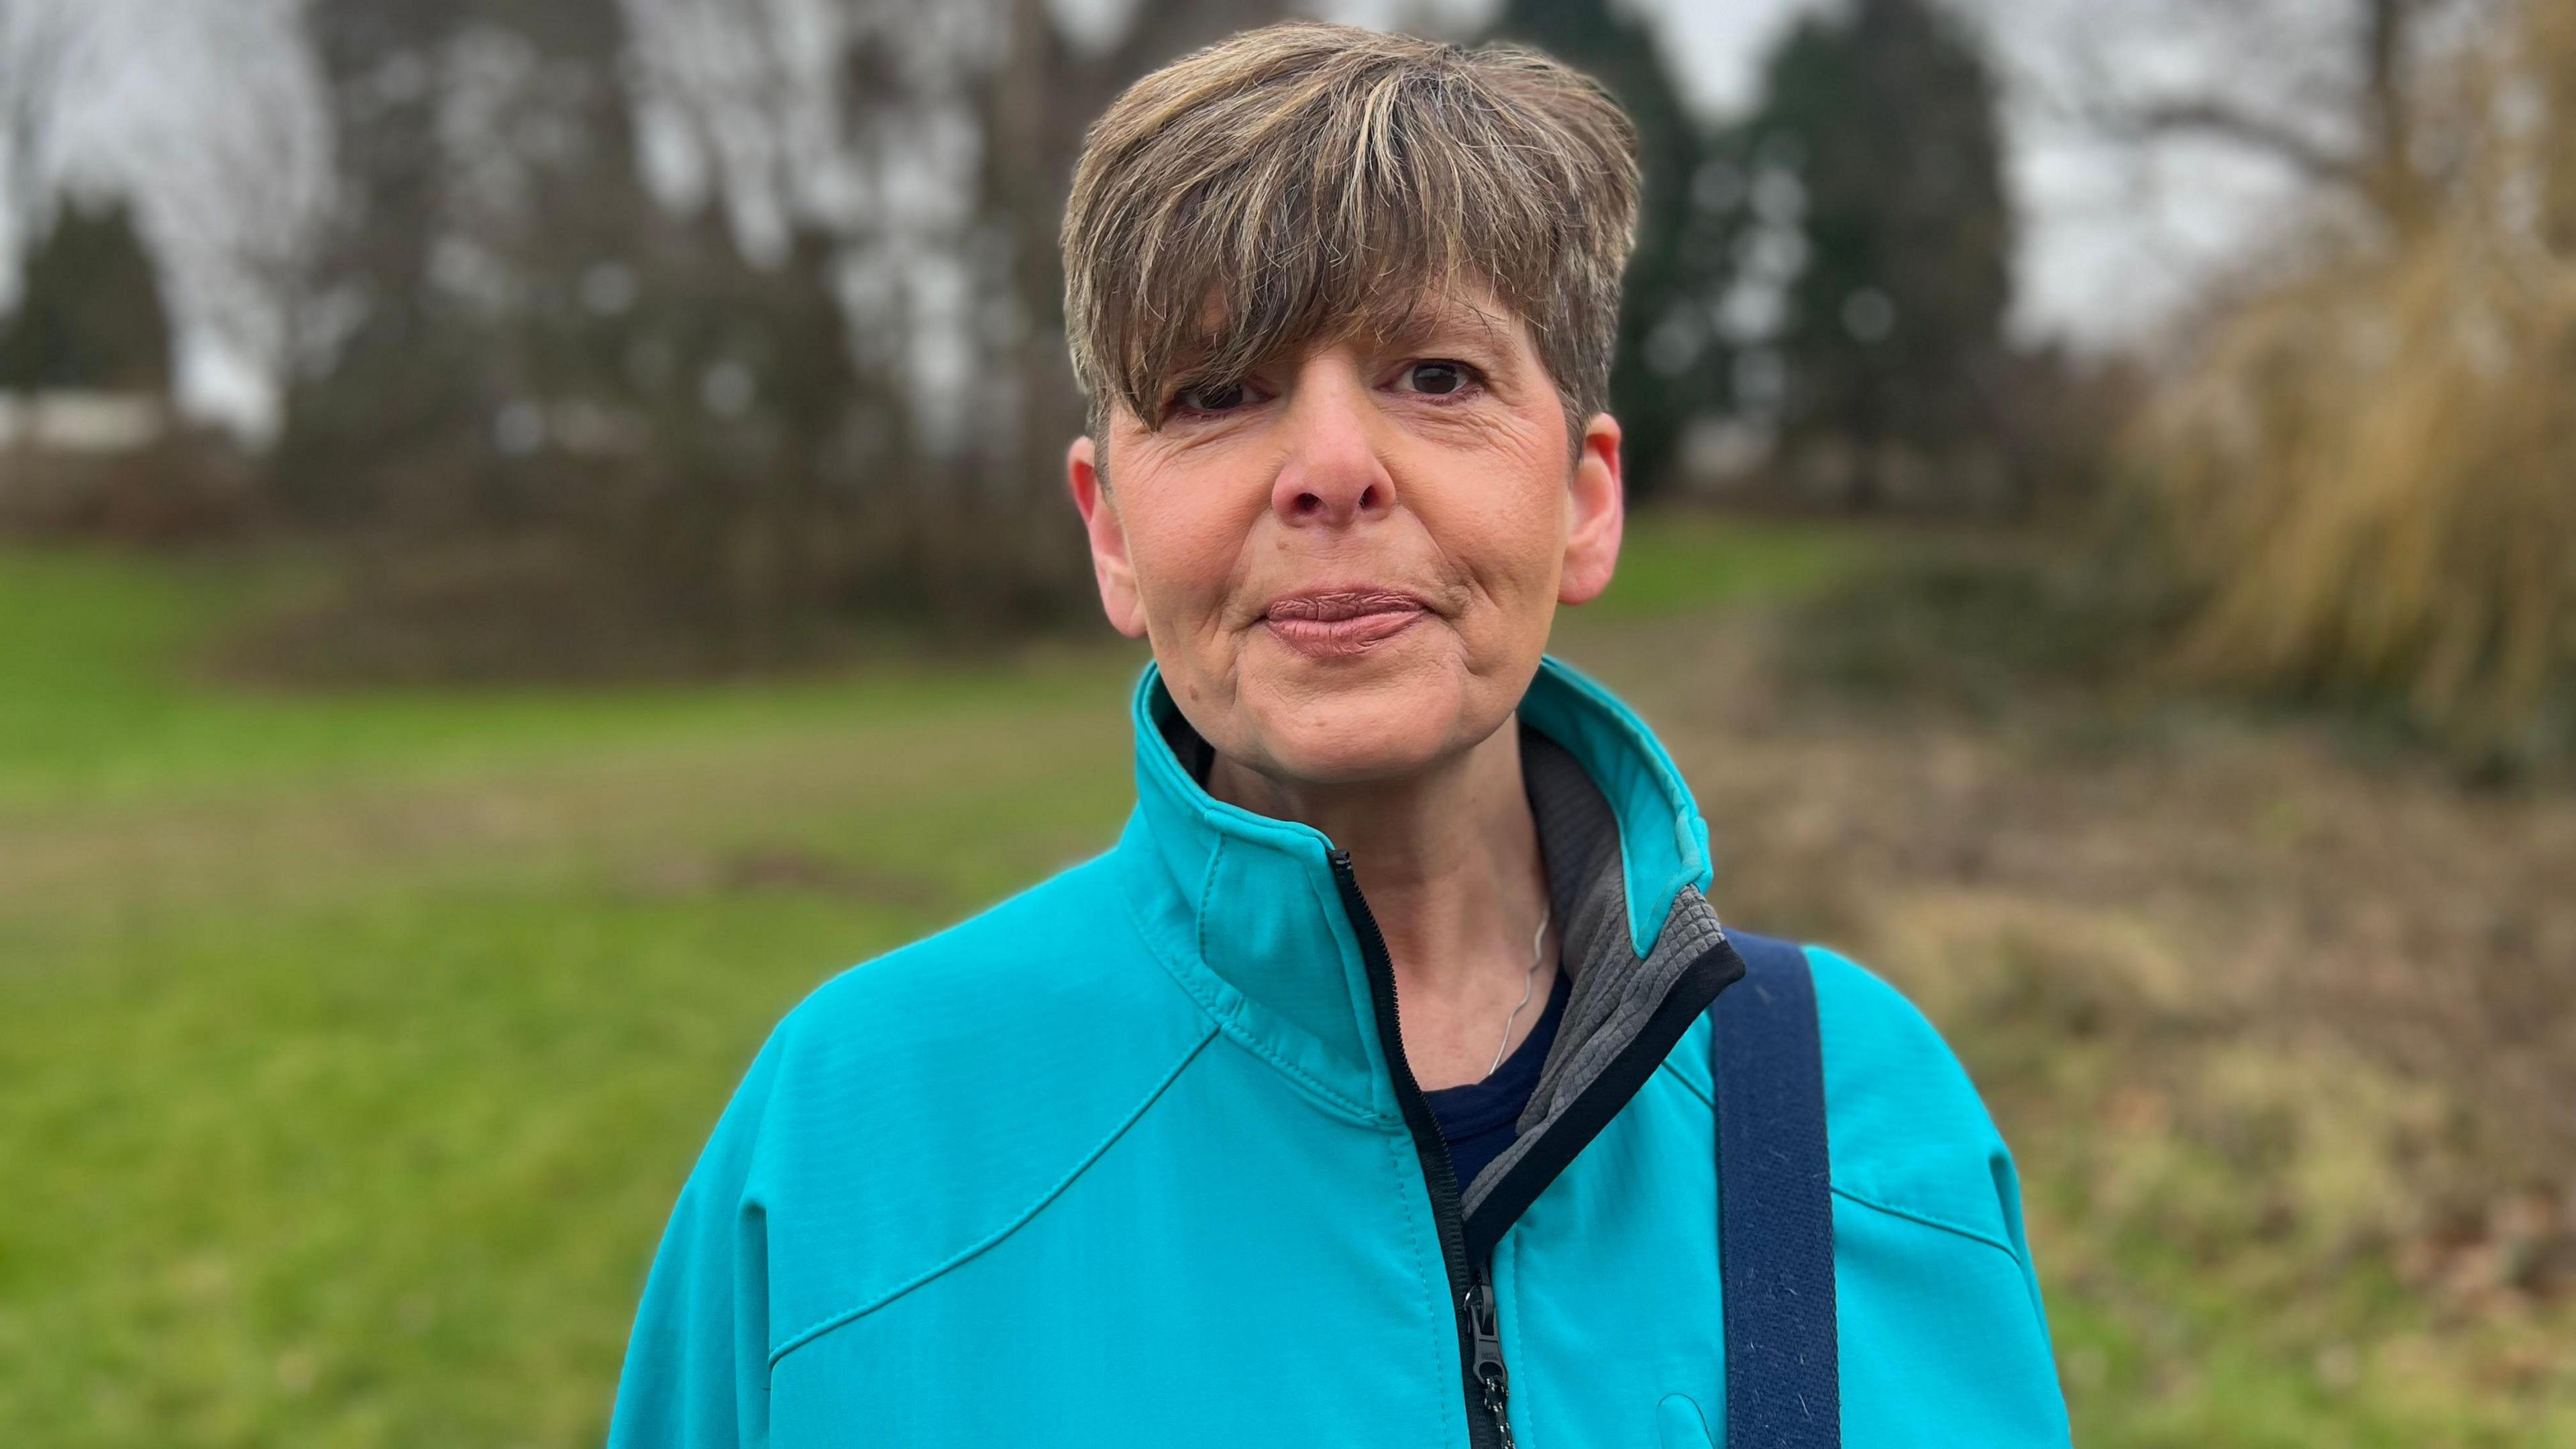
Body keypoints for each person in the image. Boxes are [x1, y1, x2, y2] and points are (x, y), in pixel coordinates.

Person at [607, 21, 2071, 1448]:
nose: (1328, 471)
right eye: (1217, 390)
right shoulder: (849, 1147)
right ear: (1111, 532)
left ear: (1585, 497)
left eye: (1437, 376)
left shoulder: (1866, 1119)